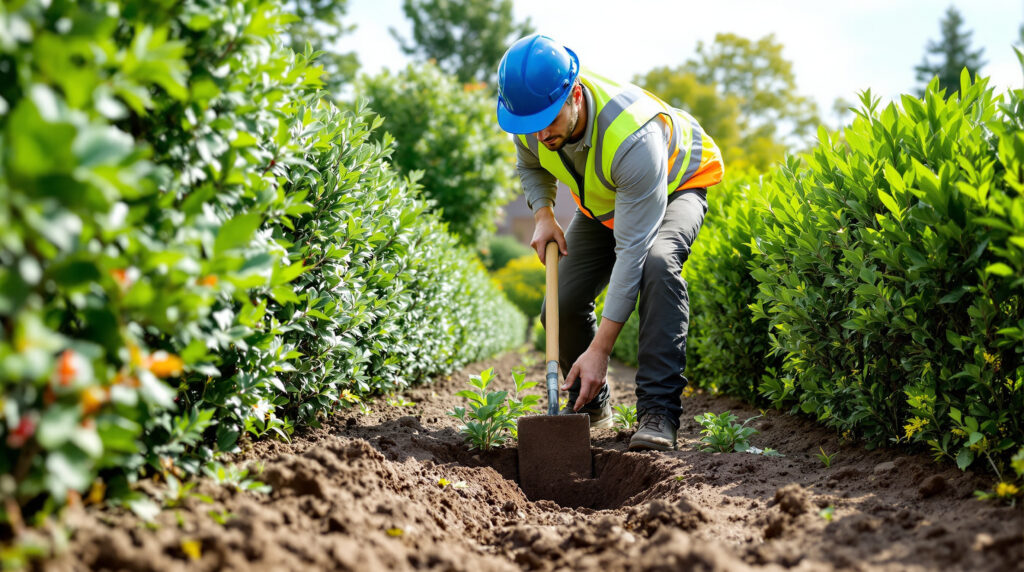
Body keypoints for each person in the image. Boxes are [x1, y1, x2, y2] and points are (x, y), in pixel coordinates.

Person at [495, 34, 724, 451]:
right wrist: (543, 214)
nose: (540, 133)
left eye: (549, 120)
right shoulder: (530, 117)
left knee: (658, 263)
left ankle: (658, 412)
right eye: (530, 125)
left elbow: (631, 252)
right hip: (605, 200)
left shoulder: (632, 138)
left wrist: (601, 349)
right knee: (561, 303)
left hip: (674, 183)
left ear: (575, 96)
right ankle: (592, 405)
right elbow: (530, 165)